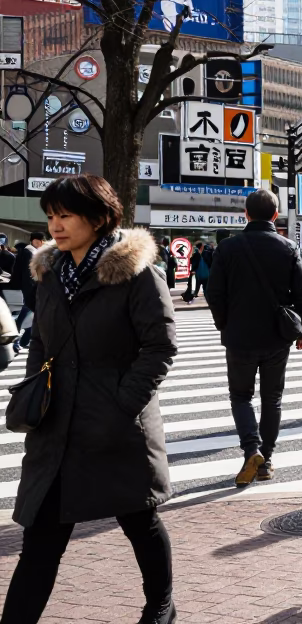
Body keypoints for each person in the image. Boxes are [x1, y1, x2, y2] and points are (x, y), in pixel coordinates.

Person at [3, 174, 180, 624]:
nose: (55, 226)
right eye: (50, 216)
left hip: (116, 428)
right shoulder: (50, 273)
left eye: (65, 215)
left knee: (140, 522)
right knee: (40, 541)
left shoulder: (138, 274)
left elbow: (159, 347)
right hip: (57, 425)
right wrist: (36, 393)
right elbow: (41, 341)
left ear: (99, 218)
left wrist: (122, 405)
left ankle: (161, 606)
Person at [206, 190, 302, 487]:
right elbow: (301, 294)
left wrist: (223, 323)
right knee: (272, 399)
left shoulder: (228, 248)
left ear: (246, 214)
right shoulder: (288, 248)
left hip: (238, 336)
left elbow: (214, 292)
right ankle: (266, 458)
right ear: (276, 216)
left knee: (241, 396)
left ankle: (251, 449)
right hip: (277, 337)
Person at [12, 231, 44, 354]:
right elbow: (28, 275)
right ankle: (18, 341)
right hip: (30, 289)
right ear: (36, 241)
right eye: (41, 241)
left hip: (30, 289)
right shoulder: (29, 253)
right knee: (27, 314)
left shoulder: (29, 252)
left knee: (31, 315)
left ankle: (23, 340)